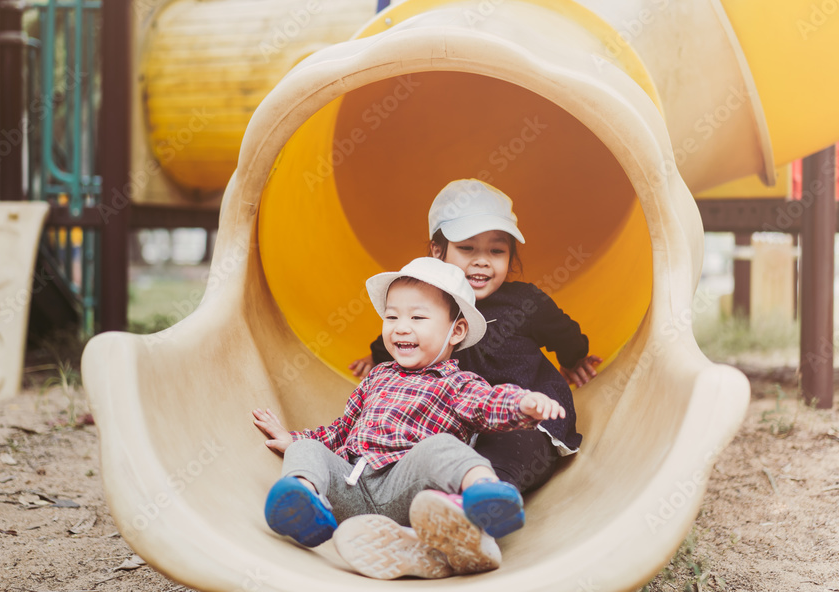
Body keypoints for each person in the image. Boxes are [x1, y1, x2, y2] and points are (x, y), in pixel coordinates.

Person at [253, 257, 566, 578]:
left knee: (441, 447)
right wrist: (295, 440)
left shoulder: (457, 383)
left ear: (456, 331)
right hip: (352, 488)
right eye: (391, 317)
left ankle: (483, 497)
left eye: (418, 317)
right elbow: (341, 430)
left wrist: (523, 403)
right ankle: (304, 504)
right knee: (306, 452)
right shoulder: (377, 376)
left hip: (410, 492)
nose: (401, 327)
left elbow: (490, 403)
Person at [350, 179, 602, 494]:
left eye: (496, 250)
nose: (481, 260)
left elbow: (564, 332)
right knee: (418, 447)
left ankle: (489, 498)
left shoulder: (525, 302)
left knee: (518, 449)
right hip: (449, 420)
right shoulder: (429, 301)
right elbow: (405, 329)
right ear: (437, 251)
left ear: (510, 256)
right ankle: (418, 500)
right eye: (467, 248)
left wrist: (574, 358)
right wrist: (377, 355)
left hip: (521, 415)